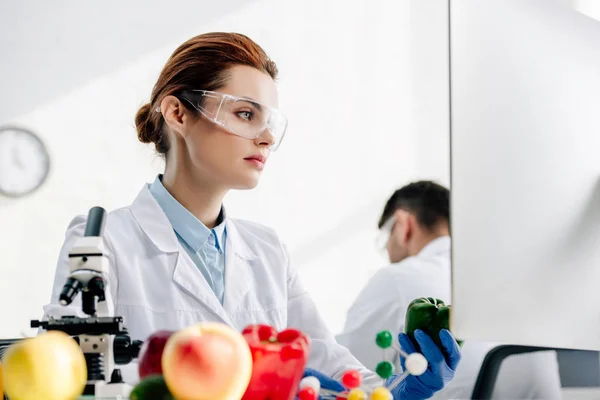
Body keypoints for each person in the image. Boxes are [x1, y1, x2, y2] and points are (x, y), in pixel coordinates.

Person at [41, 32, 461, 398]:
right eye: (245, 114)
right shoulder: (101, 240)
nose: (265, 137)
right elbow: (71, 381)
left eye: (269, 121)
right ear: (178, 114)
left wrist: (396, 391)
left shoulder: (266, 249)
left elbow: (327, 362)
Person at [336, 181, 563, 399]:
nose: (387, 249)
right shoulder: (511, 275)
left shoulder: (395, 278)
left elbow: (348, 377)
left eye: (386, 237)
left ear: (403, 224)